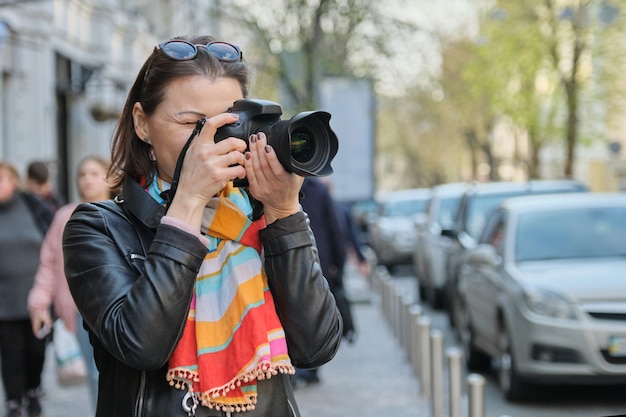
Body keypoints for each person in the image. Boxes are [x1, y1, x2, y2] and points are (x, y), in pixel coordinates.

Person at [62, 35, 343, 417]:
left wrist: (285, 213)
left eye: (229, 122)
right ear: (142, 123)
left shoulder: (262, 217)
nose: (213, 140)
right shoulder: (99, 227)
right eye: (193, 123)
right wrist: (189, 203)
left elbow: (316, 347)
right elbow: (142, 346)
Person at [28, 155, 114, 412]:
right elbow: (48, 262)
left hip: (119, 308)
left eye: (94, 173)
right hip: (80, 313)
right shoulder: (65, 215)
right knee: (96, 375)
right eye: (82, 174)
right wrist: (39, 304)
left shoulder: (123, 210)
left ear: (110, 177)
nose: (87, 179)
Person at [0, 161, 54, 417]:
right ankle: (13, 401)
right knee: (10, 353)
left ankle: (32, 389)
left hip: (36, 295)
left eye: (2, 178)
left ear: (14, 181)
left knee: (36, 350)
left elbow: (53, 238)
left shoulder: (32, 205)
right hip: (4, 298)